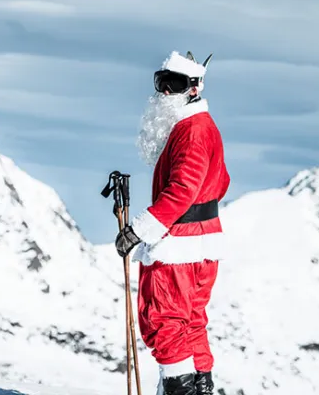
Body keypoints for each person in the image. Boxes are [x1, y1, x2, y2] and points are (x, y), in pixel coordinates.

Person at [115, 50, 230, 395]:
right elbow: (221, 181)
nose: (165, 92)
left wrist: (138, 230)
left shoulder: (192, 131)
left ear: (193, 88)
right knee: (190, 321)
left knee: (164, 321)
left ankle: (179, 390)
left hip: (179, 245)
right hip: (202, 242)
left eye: (174, 84)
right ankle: (200, 386)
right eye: (161, 82)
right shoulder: (199, 127)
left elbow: (182, 191)